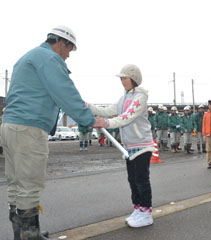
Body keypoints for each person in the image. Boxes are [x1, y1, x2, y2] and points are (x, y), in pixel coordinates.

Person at [0, 26, 101, 240]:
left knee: (17, 182)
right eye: (69, 50)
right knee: (29, 184)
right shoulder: (49, 59)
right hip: (28, 128)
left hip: (11, 126)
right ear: (61, 43)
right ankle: (29, 236)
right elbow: (65, 91)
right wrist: (89, 120)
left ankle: (22, 233)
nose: (68, 56)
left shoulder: (28, 57)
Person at [91, 64, 156, 228]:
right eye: (121, 78)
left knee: (142, 179)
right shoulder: (124, 97)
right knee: (132, 179)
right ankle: (138, 208)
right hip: (129, 146)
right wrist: (88, 106)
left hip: (142, 144)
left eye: (124, 78)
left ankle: (146, 212)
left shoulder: (140, 97)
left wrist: (106, 123)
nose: (121, 81)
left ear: (133, 79)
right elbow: (110, 109)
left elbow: (127, 117)